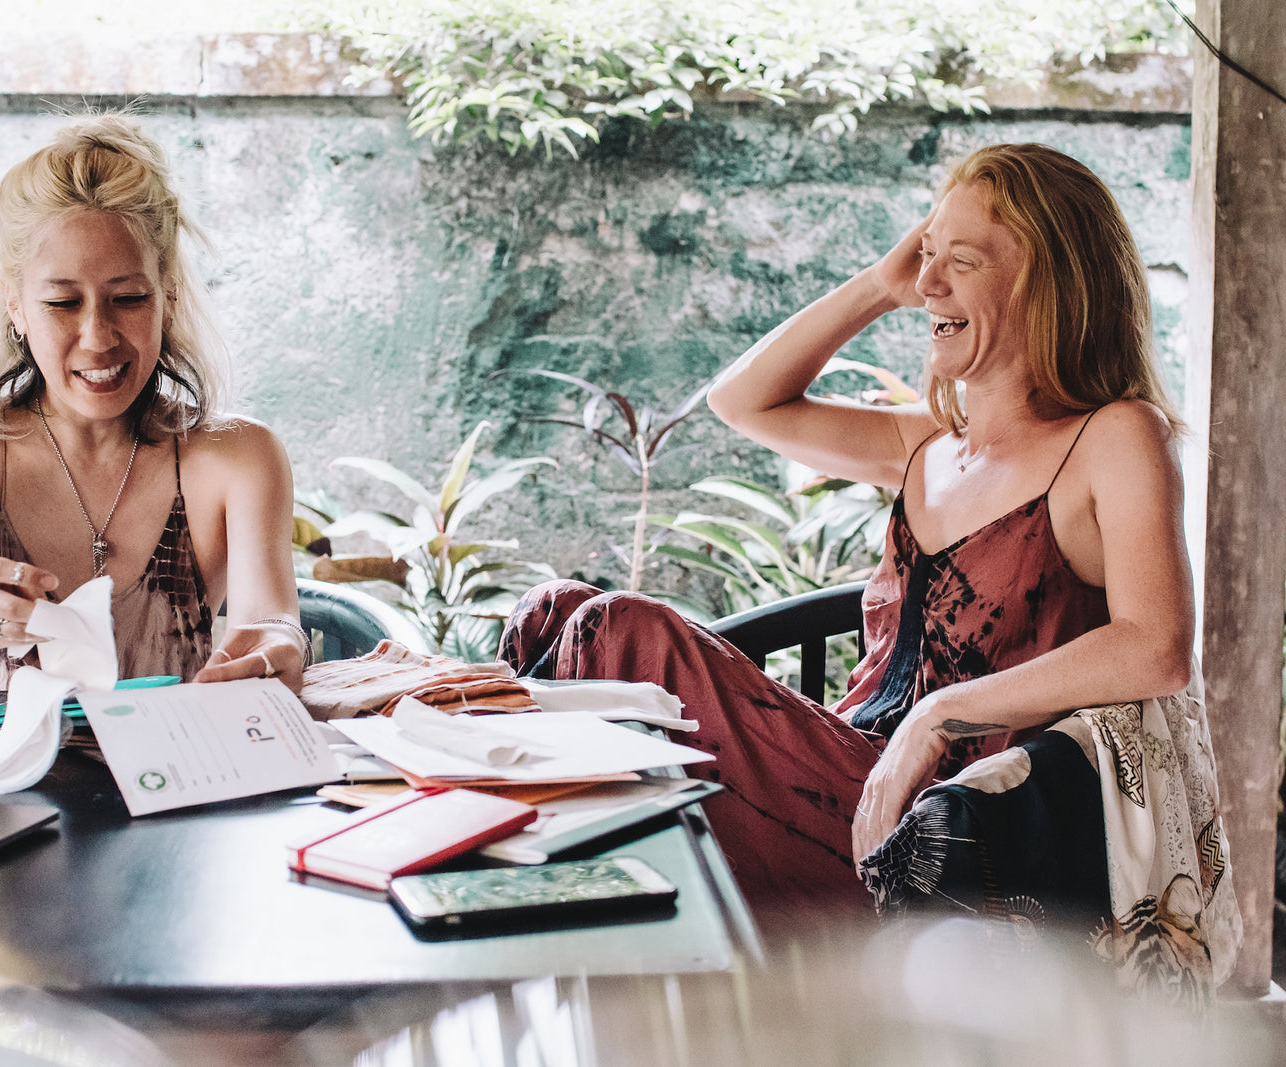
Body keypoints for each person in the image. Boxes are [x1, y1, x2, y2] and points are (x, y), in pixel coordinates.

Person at [499, 143, 1205, 926]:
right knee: (553, 611)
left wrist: (937, 716)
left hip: (941, 832)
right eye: (926, 255)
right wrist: (878, 285)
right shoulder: (926, 443)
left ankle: (546, 910)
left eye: (962, 261)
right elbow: (741, 401)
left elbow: (1157, 646)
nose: (927, 284)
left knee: (615, 629)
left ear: (1052, 283)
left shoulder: (1115, 436)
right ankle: (537, 904)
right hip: (841, 779)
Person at [0, 114, 307, 701]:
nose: (98, 337)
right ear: (15, 305)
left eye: (128, 298)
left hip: (174, 761)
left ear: (168, 296)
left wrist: (280, 643)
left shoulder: (237, 456)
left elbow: (270, 621)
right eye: (62, 303)